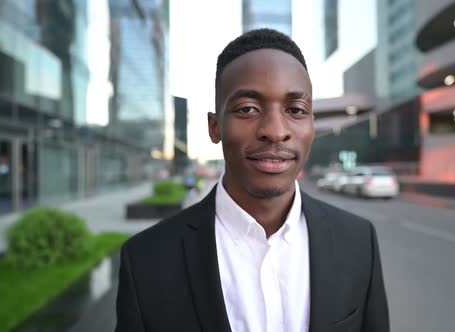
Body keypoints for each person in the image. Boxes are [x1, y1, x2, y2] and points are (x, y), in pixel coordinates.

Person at [115, 28, 389, 332]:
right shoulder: (146, 260)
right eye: (247, 109)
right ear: (215, 126)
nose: (274, 130)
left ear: (312, 124)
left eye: (296, 110)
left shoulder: (358, 242)